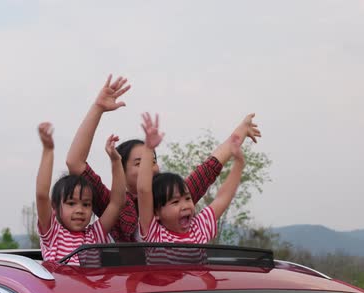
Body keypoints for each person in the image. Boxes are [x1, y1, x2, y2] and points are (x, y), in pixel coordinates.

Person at [66, 74, 261, 242]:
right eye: (139, 162)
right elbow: (74, 163)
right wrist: (97, 108)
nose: (150, 167)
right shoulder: (114, 204)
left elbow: (208, 169)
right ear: (122, 173)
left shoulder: (173, 197)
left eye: (153, 160)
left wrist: (239, 133)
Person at [137, 112, 246, 245]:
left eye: (188, 198)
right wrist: (149, 148)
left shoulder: (200, 227)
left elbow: (223, 198)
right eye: (175, 202)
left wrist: (239, 165)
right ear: (157, 213)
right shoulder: (154, 233)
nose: (185, 206)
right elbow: (143, 190)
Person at [35, 122, 126, 265]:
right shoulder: (53, 234)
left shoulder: (95, 234)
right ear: (55, 206)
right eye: (71, 203)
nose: (79, 210)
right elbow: (41, 195)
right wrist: (48, 150)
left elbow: (116, 203)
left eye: (86, 204)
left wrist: (116, 161)